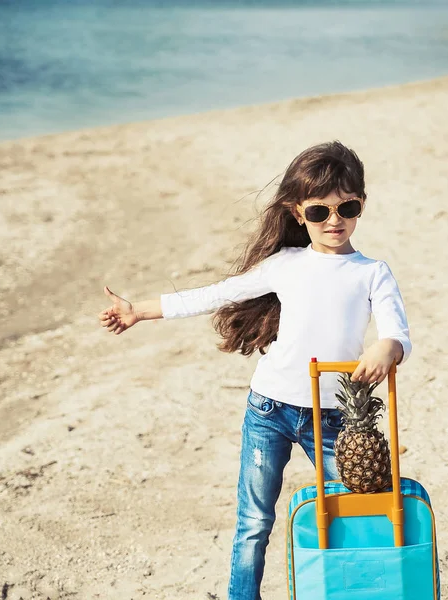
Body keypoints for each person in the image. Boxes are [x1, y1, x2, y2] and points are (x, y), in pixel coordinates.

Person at [98, 141, 411, 600]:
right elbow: (216, 294)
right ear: (297, 213)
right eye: (319, 211)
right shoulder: (284, 264)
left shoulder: (373, 272)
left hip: (335, 420)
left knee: (361, 507)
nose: (334, 220)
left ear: (361, 204)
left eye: (347, 206)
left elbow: (397, 331)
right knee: (253, 523)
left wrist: (388, 347)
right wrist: (138, 311)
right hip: (268, 410)